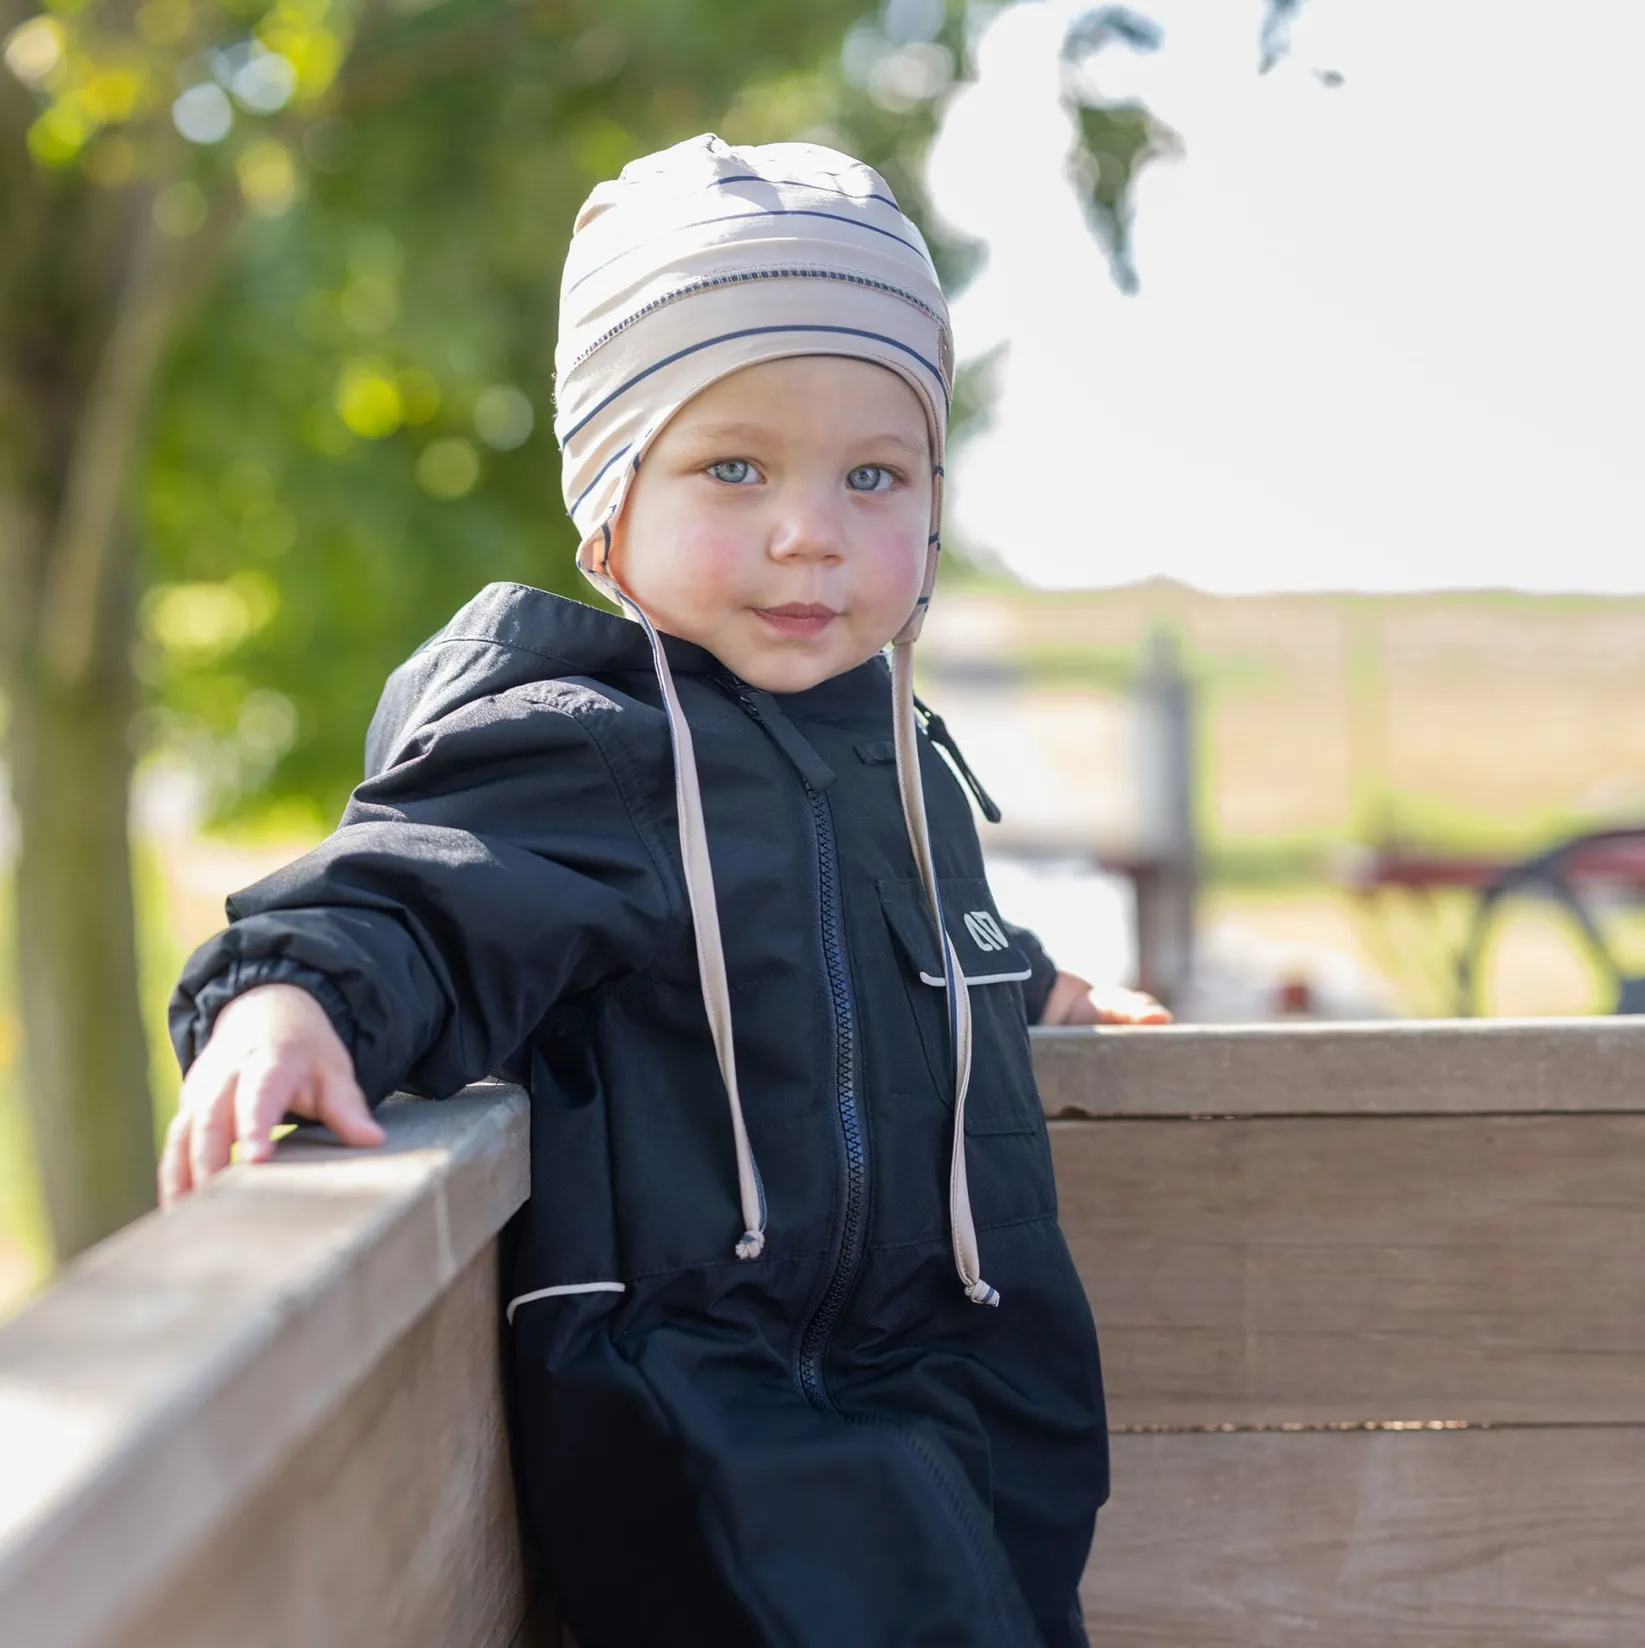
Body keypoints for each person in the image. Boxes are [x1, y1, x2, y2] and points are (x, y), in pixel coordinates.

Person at [162, 134, 1168, 1647]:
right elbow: (425, 894)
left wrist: (1030, 982)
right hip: (731, 1412)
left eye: (875, 474)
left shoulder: (889, 753)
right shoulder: (590, 751)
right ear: (608, 505)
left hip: (965, 1389)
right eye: (734, 468)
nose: (810, 528)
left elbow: (883, 939)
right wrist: (294, 990)